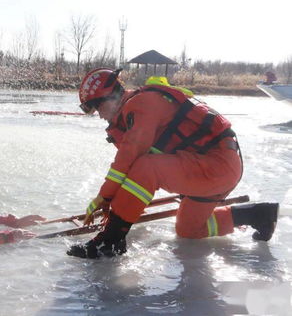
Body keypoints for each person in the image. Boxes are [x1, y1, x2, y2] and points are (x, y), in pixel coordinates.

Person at [67, 68, 279, 259]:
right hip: (211, 168)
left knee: (146, 167)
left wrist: (104, 197)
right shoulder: (134, 109)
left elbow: (129, 158)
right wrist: (110, 199)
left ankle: (110, 241)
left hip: (215, 166)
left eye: (97, 107)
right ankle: (258, 215)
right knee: (188, 230)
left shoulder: (142, 104)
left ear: (110, 97)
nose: (99, 115)